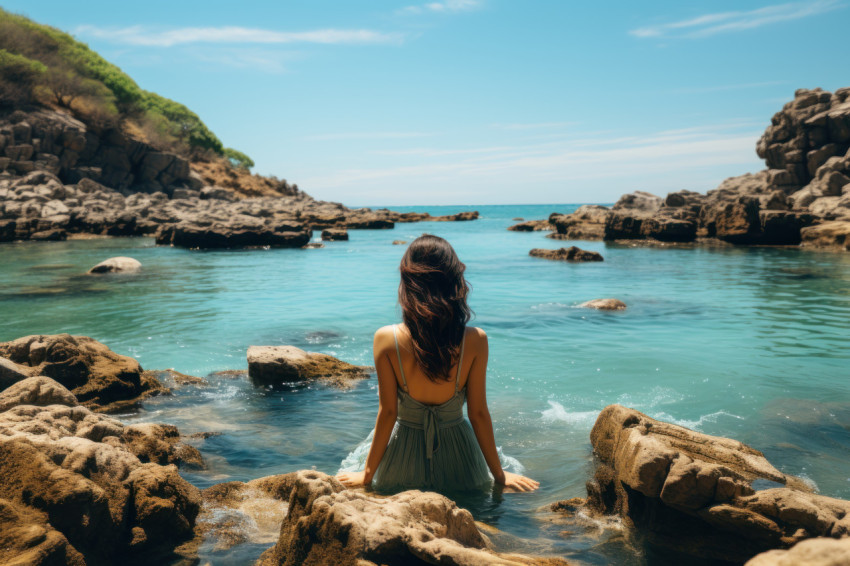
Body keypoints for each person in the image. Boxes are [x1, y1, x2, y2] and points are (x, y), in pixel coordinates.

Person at [336, 234, 539, 493]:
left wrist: (366, 475)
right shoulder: (475, 340)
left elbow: (388, 413)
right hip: (461, 464)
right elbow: (478, 414)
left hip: (401, 462)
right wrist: (499, 474)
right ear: (454, 282)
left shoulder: (386, 338)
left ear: (408, 283)